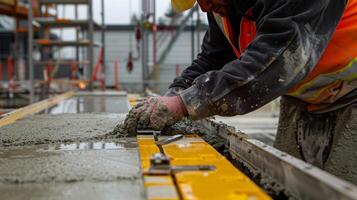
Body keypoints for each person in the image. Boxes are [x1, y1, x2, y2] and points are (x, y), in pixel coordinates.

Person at [122, 0, 357, 184]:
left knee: (341, 188)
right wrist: (176, 93)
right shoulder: (225, 8)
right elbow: (214, 57)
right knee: (289, 187)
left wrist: (184, 104)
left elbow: (277, 60)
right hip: (301, 103)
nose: (203, 7)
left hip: (352, 97)